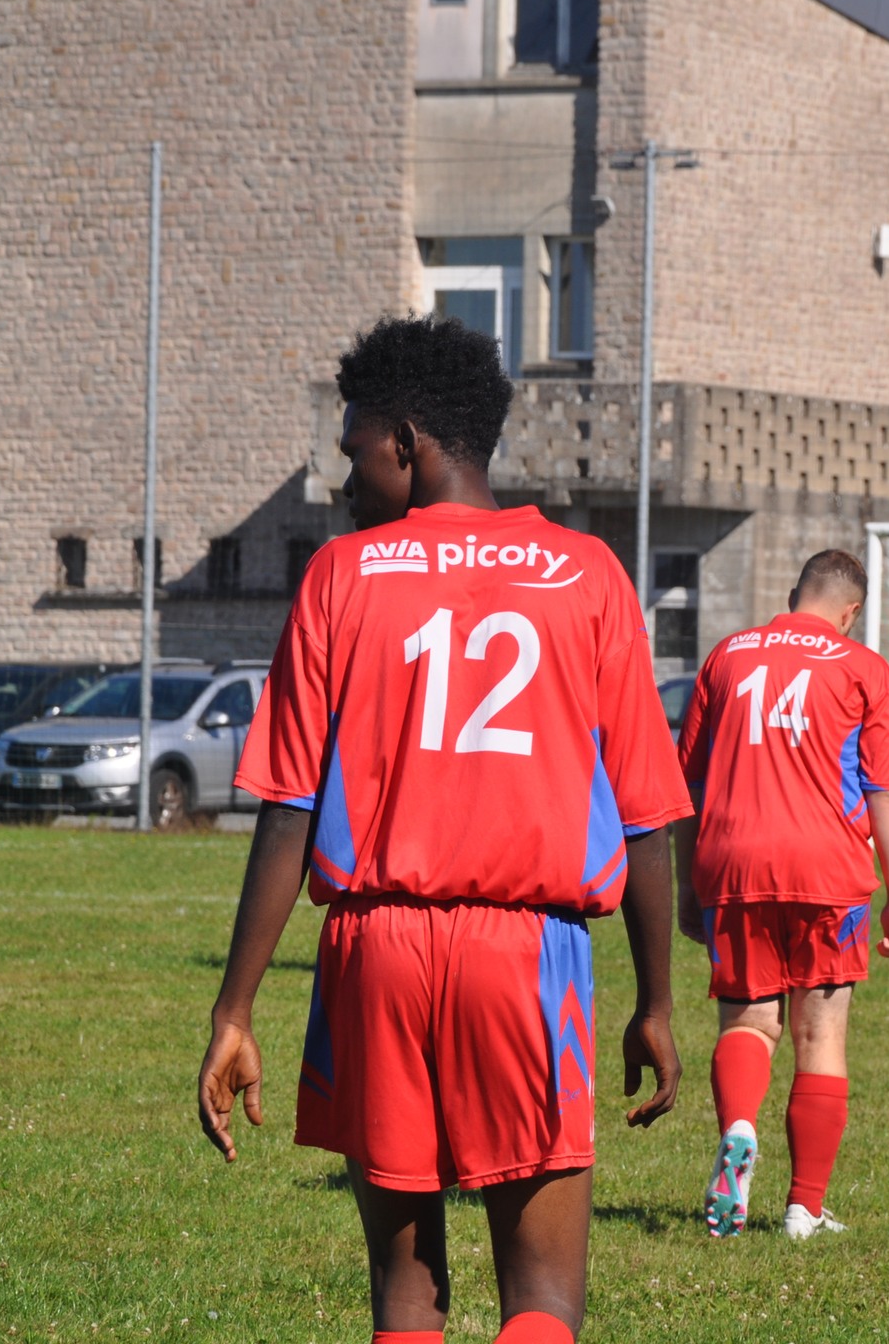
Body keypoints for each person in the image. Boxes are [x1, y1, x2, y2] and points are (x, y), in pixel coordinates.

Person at [195, 315, 690, 1344]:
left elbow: (287, 808)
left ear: (407, 442)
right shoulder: (588, 573)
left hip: (374, 952)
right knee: (543, 1297)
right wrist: (655, 1001)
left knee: (406, 1294)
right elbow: (645, 818)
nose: (344, 480)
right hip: (528, 954)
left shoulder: (342, 575)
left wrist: (234, 1008)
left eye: (354, 453)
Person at [672, 550, 889, 1240]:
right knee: (820, 1033)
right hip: (827, 871)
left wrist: (690, 881)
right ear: (852, 611)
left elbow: (689, 786)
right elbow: (887, 792)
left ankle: (739, 1129)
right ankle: (804, 1209)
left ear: (792, 594)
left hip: (732, 864)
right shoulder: (863, 668)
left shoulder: (727, 657)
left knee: (749, 1022)